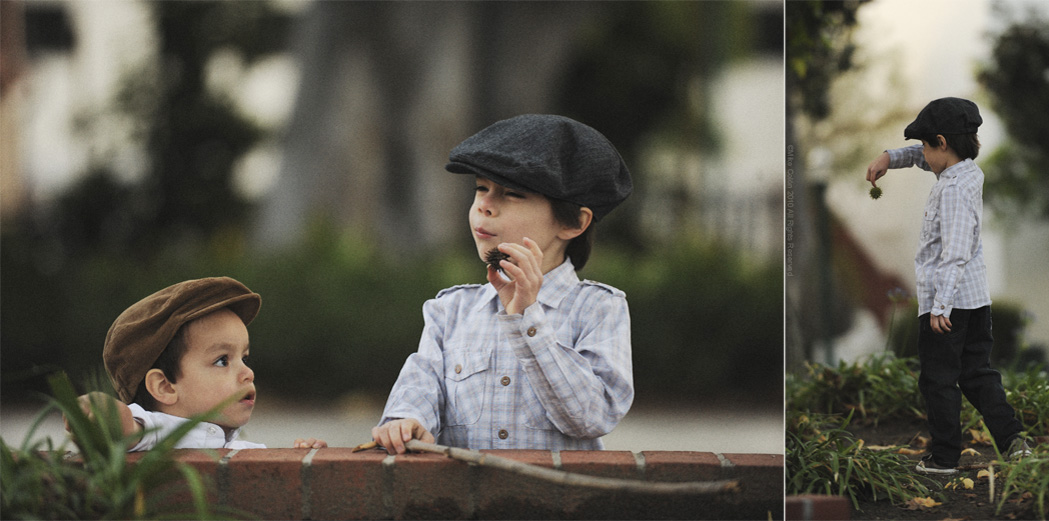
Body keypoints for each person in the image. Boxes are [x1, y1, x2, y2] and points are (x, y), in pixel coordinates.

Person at [372, 114, 634, 454]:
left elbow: (591, 417)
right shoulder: (449, 311)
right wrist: (404, 422)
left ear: (574, 223)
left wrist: (527, 317)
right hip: (460, 504)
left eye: (511, 194)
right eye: (481, 188)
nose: (485, 205)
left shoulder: (599, 308)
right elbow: (419, 390)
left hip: (560, 505)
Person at [865, 97, 1030, 475]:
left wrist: (940, 306)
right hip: (974, 300)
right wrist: (890, 158)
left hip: (948, 303)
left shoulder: (953, 191)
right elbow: (925, 158)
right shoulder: (965, 172)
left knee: (938, 380)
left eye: (925, 145)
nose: (922, 153)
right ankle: (1012, 441)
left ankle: (944, 459)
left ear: (942, 141)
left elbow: (954, 251)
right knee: (977, 373)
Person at [66, 277, 327, 450]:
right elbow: (123, 426)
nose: (248, 373)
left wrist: (303, 457)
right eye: (223, 360)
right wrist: (93, 411)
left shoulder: (245, 450)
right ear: (165, 386)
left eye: (244, 358)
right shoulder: (159, 434)